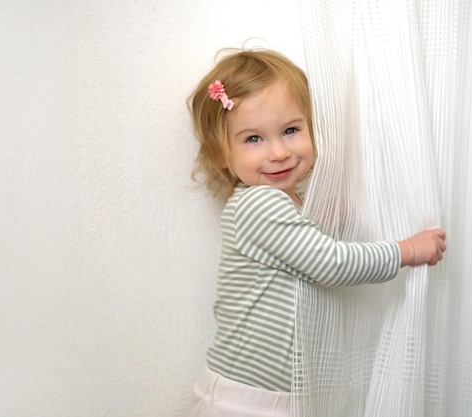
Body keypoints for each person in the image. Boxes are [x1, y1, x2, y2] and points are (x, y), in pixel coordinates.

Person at [186, 48, 447, 417]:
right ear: (220, 154)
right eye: (253, 139)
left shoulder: (289, 206)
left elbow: (309, 250)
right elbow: (332, 264)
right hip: (244, 400)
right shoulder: (259, 204)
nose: (278, 152)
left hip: (280, 397)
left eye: (290, 130)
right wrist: (407, 250)